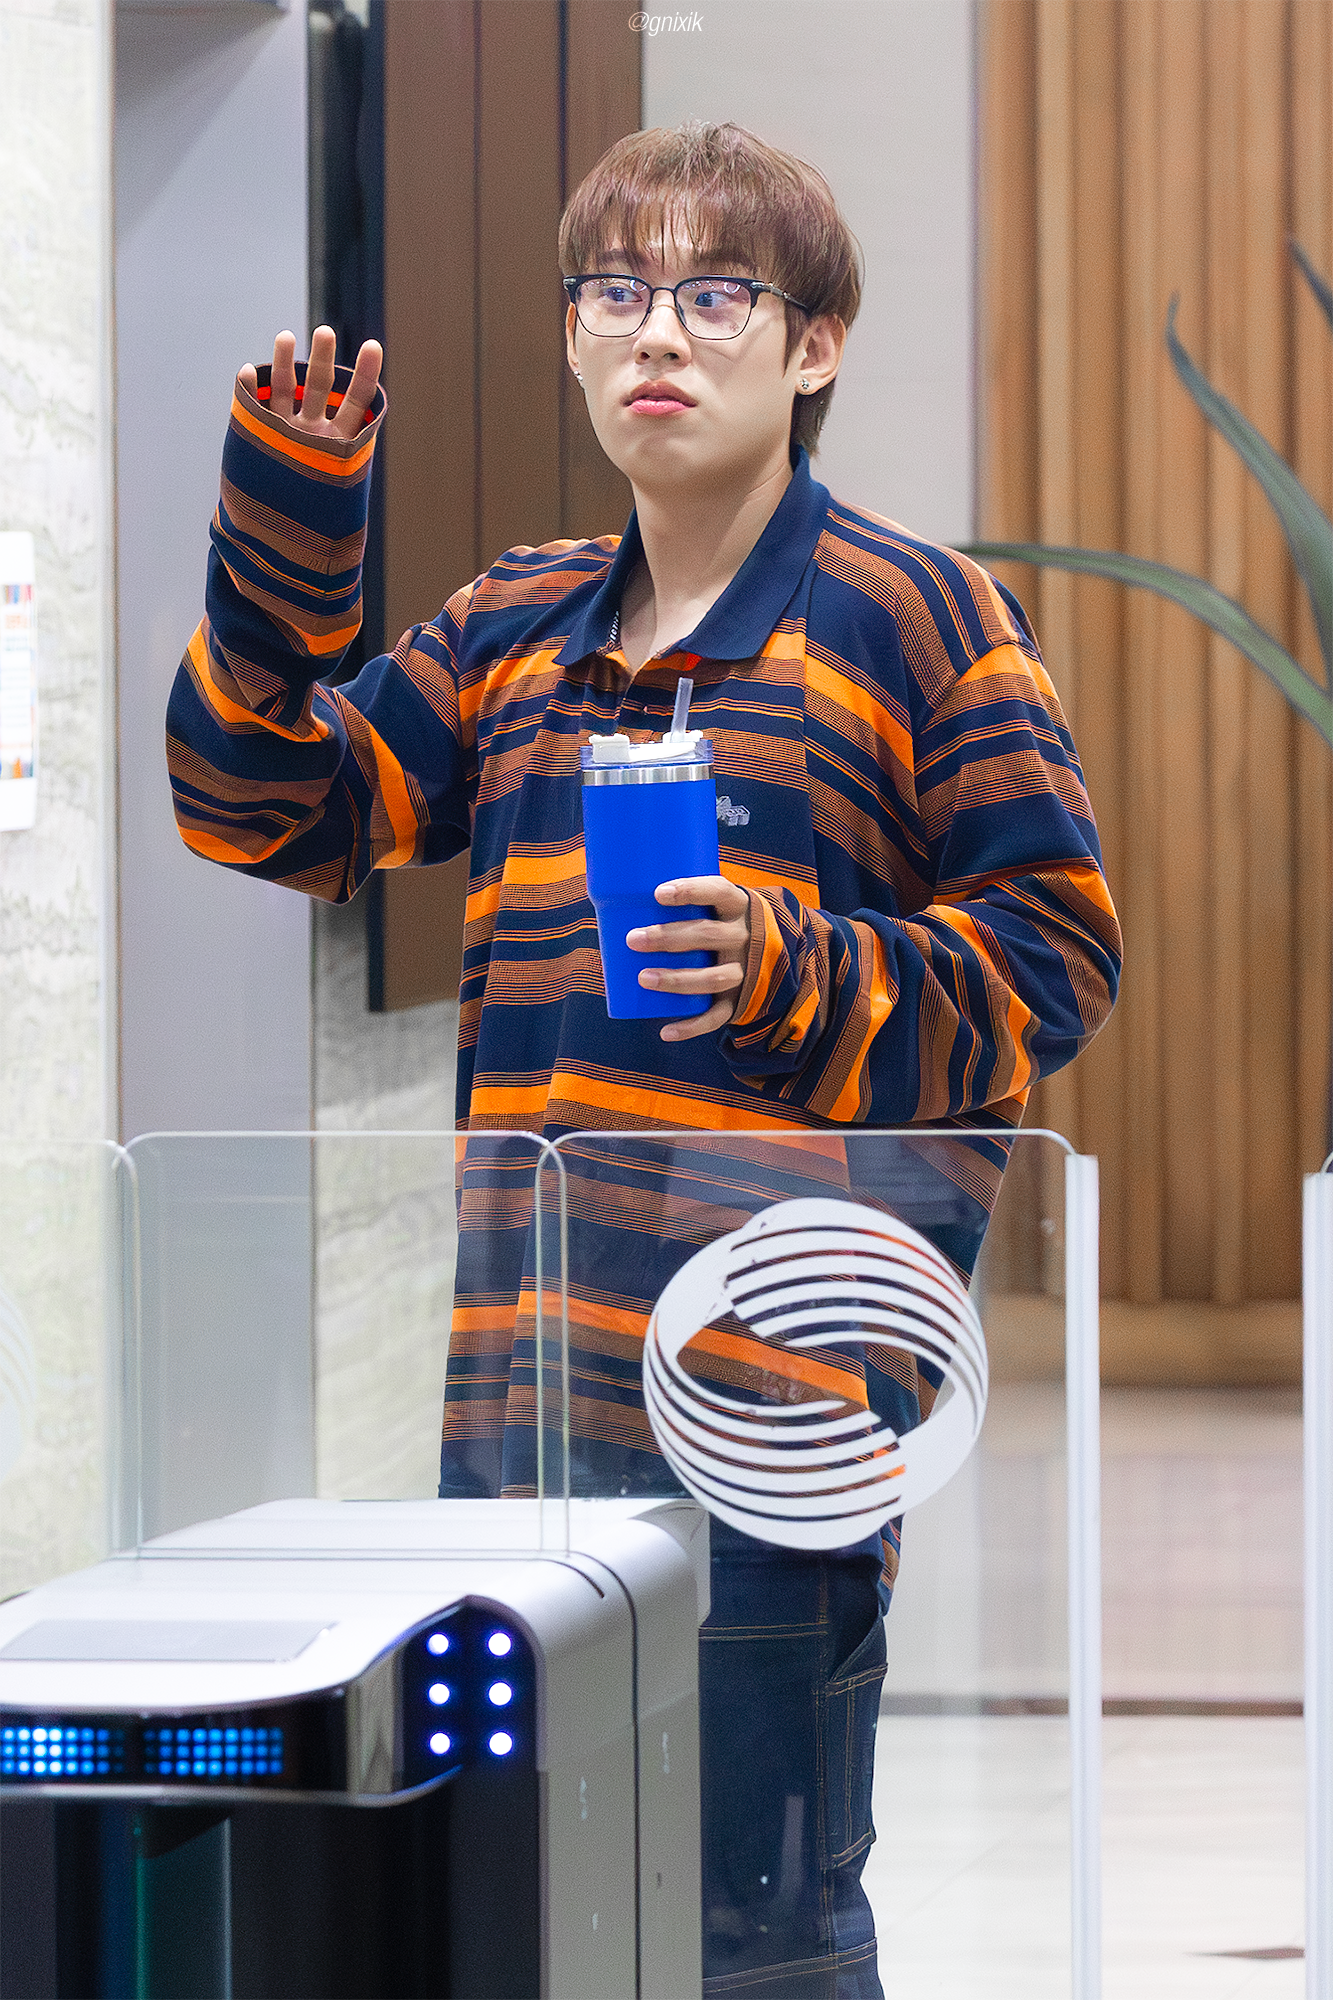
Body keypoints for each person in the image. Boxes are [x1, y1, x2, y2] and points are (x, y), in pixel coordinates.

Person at [167, 121, 1120, 1999]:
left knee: (752, 1946)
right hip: (519, 1438)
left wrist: (793, 970)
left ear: (816, 346)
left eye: (714, 295)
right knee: (521, 1926)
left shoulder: (919, 618)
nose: (656, 333)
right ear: (572, 335)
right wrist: (287, 533)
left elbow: (1057, 956)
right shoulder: (517, 625)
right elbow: (262, 806)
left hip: (769, 1438)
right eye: (615, 292)